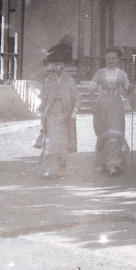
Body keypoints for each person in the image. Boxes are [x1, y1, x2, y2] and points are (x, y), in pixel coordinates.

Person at [89, 47, 134, 175]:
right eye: (109, 58)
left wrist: (131, 88)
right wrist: (92, 103)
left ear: (118, 59)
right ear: (106, 59)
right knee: (103, 133)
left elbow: (126, 90)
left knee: (115, 132)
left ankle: (114, 164)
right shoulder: (100, 72)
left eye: (113, 58)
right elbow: (91, 88)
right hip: (102, 104)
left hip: (116, 105)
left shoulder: (122, 74)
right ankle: (103, 162)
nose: (111, 60)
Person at [37, 38, 77, 178]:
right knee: (51, 142)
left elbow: (77, 99)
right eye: (56, 64)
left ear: (65, 65)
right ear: (53, 65)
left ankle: (60, 170)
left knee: (62, 143)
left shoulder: (70, 81)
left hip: (64, 116)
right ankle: (49, 170)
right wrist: (41, 113)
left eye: (61, 64)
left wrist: (74, 112)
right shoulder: (48, 80)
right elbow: (43, 98)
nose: (59, 67)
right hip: (51, 115)